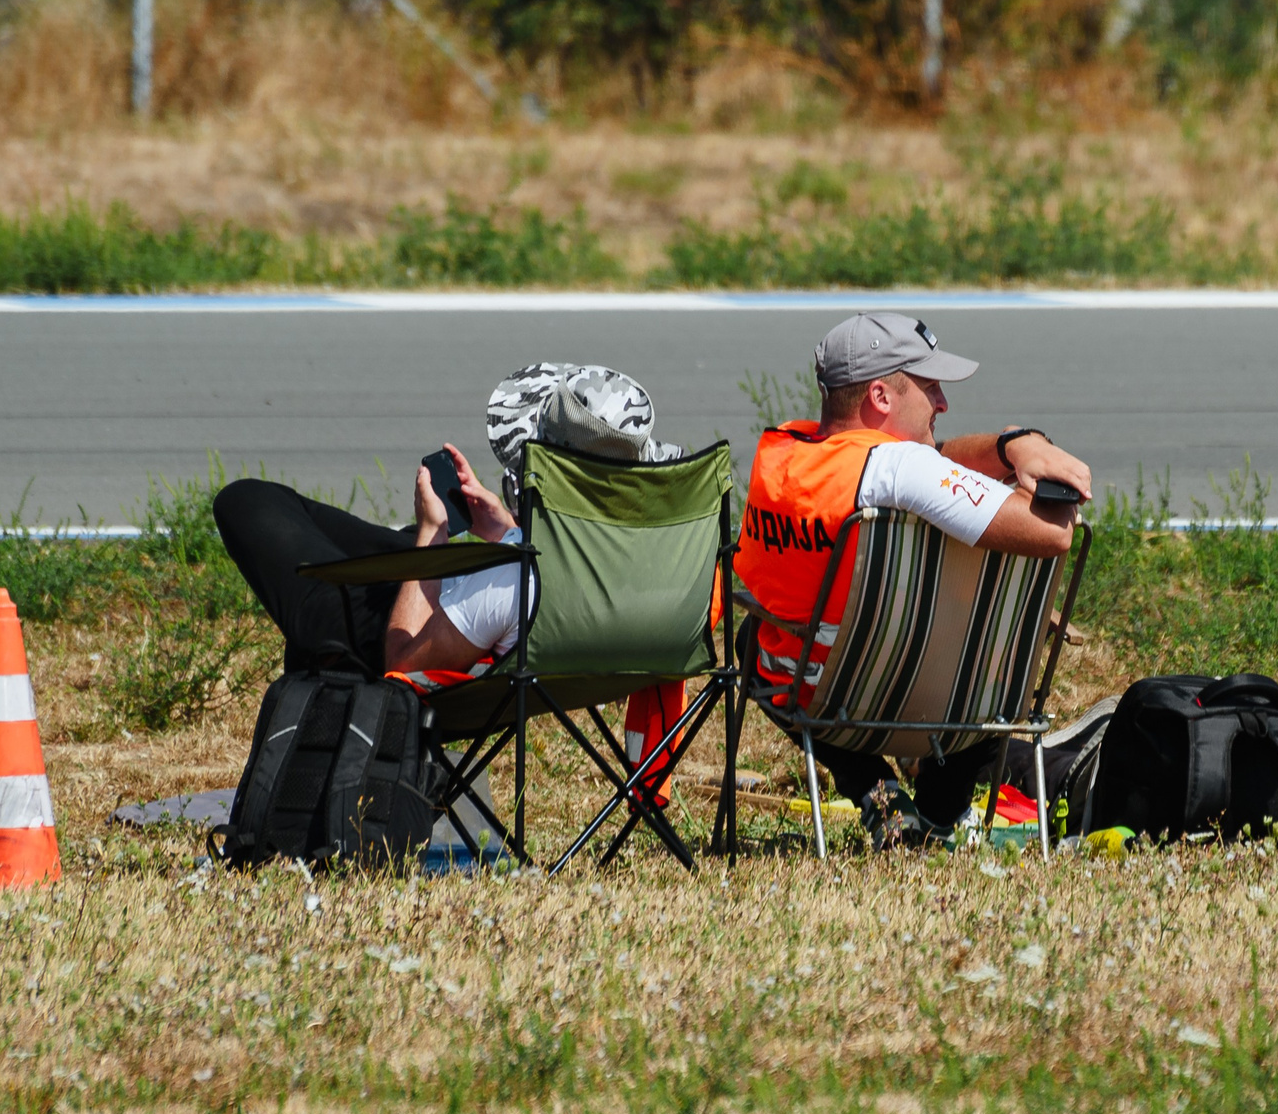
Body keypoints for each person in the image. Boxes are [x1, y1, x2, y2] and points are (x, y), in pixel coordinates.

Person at [734, 311, 1093, 848]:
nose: (943, 404)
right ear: (881, 396)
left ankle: (877, 793)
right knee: (978, 649)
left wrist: (1011, 444)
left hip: (824, 702)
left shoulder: (788, 458)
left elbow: (934, 457)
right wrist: (1055, 483)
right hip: (957, 710)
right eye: (930, 388)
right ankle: (940, 813)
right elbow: (1051, 533)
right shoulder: (898, 470)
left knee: (752, 641)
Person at [216, 363, 679, 681]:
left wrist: (434, 536)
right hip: (498, 595)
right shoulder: (647, 551)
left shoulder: (514, 582)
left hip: (397, 636)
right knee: (389, 539)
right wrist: (504, 533)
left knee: (247, 500)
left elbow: (405, 664)